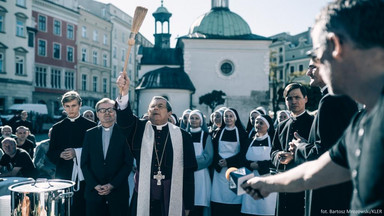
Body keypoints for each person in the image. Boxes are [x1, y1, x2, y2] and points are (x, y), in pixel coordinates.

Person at [242, 0, 384, 214]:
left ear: (334, 45)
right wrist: (267, 184)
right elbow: (316, 171)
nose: (314, 66)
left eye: (316, 55)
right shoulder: (362, 122)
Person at [116, 72, 197, 216]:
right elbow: (124, 119)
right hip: (143, 191)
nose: (156, 109)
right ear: (148, 111)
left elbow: (188, 173)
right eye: (152, 106)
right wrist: (124, 92)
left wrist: (188, 203)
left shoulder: (184, 136)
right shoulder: (139, 129)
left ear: (169, 113)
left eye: (160, 106)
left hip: (172, 192)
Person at [290, 60, 358, 216]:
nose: (308, 73)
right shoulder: (341, 96)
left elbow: (325, 152)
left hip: (328, 191)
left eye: (312, 67)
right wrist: (307, 144)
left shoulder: (330, 100)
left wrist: (299, 147)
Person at [47, 90, 96, 216]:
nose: (71, 109)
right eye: (67, 106)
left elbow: (97, 152)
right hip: (63, 173)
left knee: (83, 208)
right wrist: (59, 154)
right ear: (64, 107)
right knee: (63, 209)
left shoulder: (91, 126)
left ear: (80, 105)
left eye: (74, 105)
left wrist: (77, 153)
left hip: (85, 175)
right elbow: (51, 152)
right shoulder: (57, 128)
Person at [81, 98, 133, 216]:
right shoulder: (90, 134)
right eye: (102, 110)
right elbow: (84, 163)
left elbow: (128, 163)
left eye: (110, 109)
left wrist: (112, 185)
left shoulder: (125, 133)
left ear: (115, 112)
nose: (107, 113)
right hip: (94, 193)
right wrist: (95, 185)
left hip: (118, 192)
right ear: (97, 114)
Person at [270, 83, 314, 216]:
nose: (293, 101)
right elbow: (273, 152)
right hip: (283, 184)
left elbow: (318, 151)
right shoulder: (281, 126)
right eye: (289, 98)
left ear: (305, 99)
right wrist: (279, 156)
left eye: (297, 97)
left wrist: (293, 156)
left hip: (304, 185)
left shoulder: (314, 122)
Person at [210, 107, 248, 216]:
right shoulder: (218, 132)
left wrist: (229, 162)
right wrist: (219, 161)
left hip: (236, 170)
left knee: (235, 199)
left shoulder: (241, 133)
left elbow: (243, 153)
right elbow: (214, 150)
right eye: (226, 116)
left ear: (235, 118)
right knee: (219, 198)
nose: (228, 118)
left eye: (231, 116)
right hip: (220, 170)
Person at [242, 114, 277, 216]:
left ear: (268, 126)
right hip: (250, 179)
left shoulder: (273, 141)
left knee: (266, 209)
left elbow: (275, 160)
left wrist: (260, 165)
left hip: (267, 179)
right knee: (250, 209)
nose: (258, 125)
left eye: (261, 123)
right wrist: (250, 164)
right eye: (257, 122)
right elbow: (241, 159)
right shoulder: (248, 141)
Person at [186, 110, 214, 216]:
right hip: (187, 173)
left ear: (201, 121)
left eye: (196, 118)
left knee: (199, 203)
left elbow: (208, 156)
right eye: (192, 118)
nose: (194, 120)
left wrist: (191, 164)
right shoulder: (184, 134)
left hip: (201, 173)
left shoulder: (206, 136)